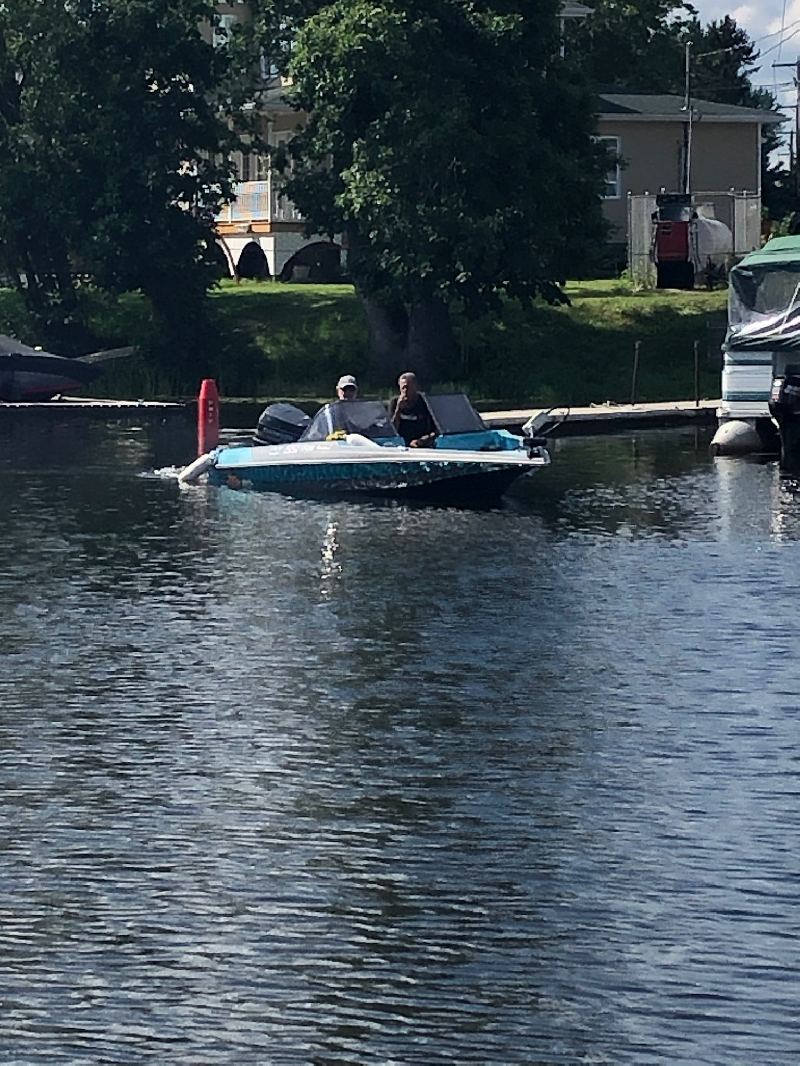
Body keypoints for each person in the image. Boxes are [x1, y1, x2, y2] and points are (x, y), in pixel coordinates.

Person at [388, 372, 437, 447]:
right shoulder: (394, 403)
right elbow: (392, 431)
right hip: (402, 444)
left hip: (423, 442)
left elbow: (438, 429)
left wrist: (424, 440)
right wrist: (398, 410)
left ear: (415, 386)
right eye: (403, 388)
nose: (405, 391)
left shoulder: (425, 402)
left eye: (408, 387)